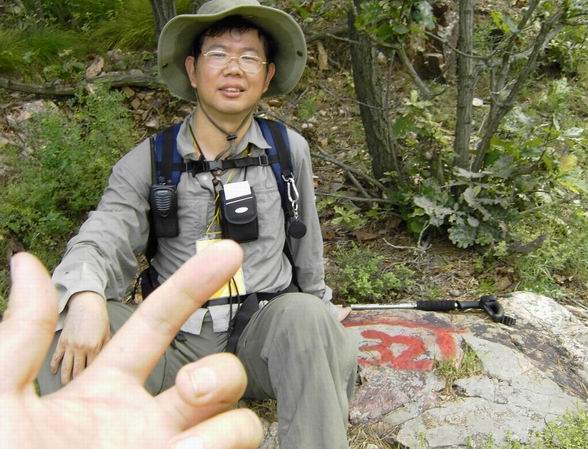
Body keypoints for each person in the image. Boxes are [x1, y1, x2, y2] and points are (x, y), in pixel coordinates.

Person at [38, 1, 358, 448]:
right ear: (192, 69)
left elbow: (307, 243)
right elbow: (104, 231)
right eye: (218, 54)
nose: (234, 68)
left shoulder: (288, 151)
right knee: (60, 330)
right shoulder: (149, 161)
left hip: (260, 339)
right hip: (172, 343)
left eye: (249, 57)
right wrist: (85, 294)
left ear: (267, 75)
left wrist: (321, 310)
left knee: (306, 316)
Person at [2, 246, 264, 449]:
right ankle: (74, 430)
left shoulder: (282, 185)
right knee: (72, 323)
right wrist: (85, 294)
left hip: (262, 325)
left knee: (292, 317)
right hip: (174, 336)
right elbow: (104, 230)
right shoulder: (144, 185)